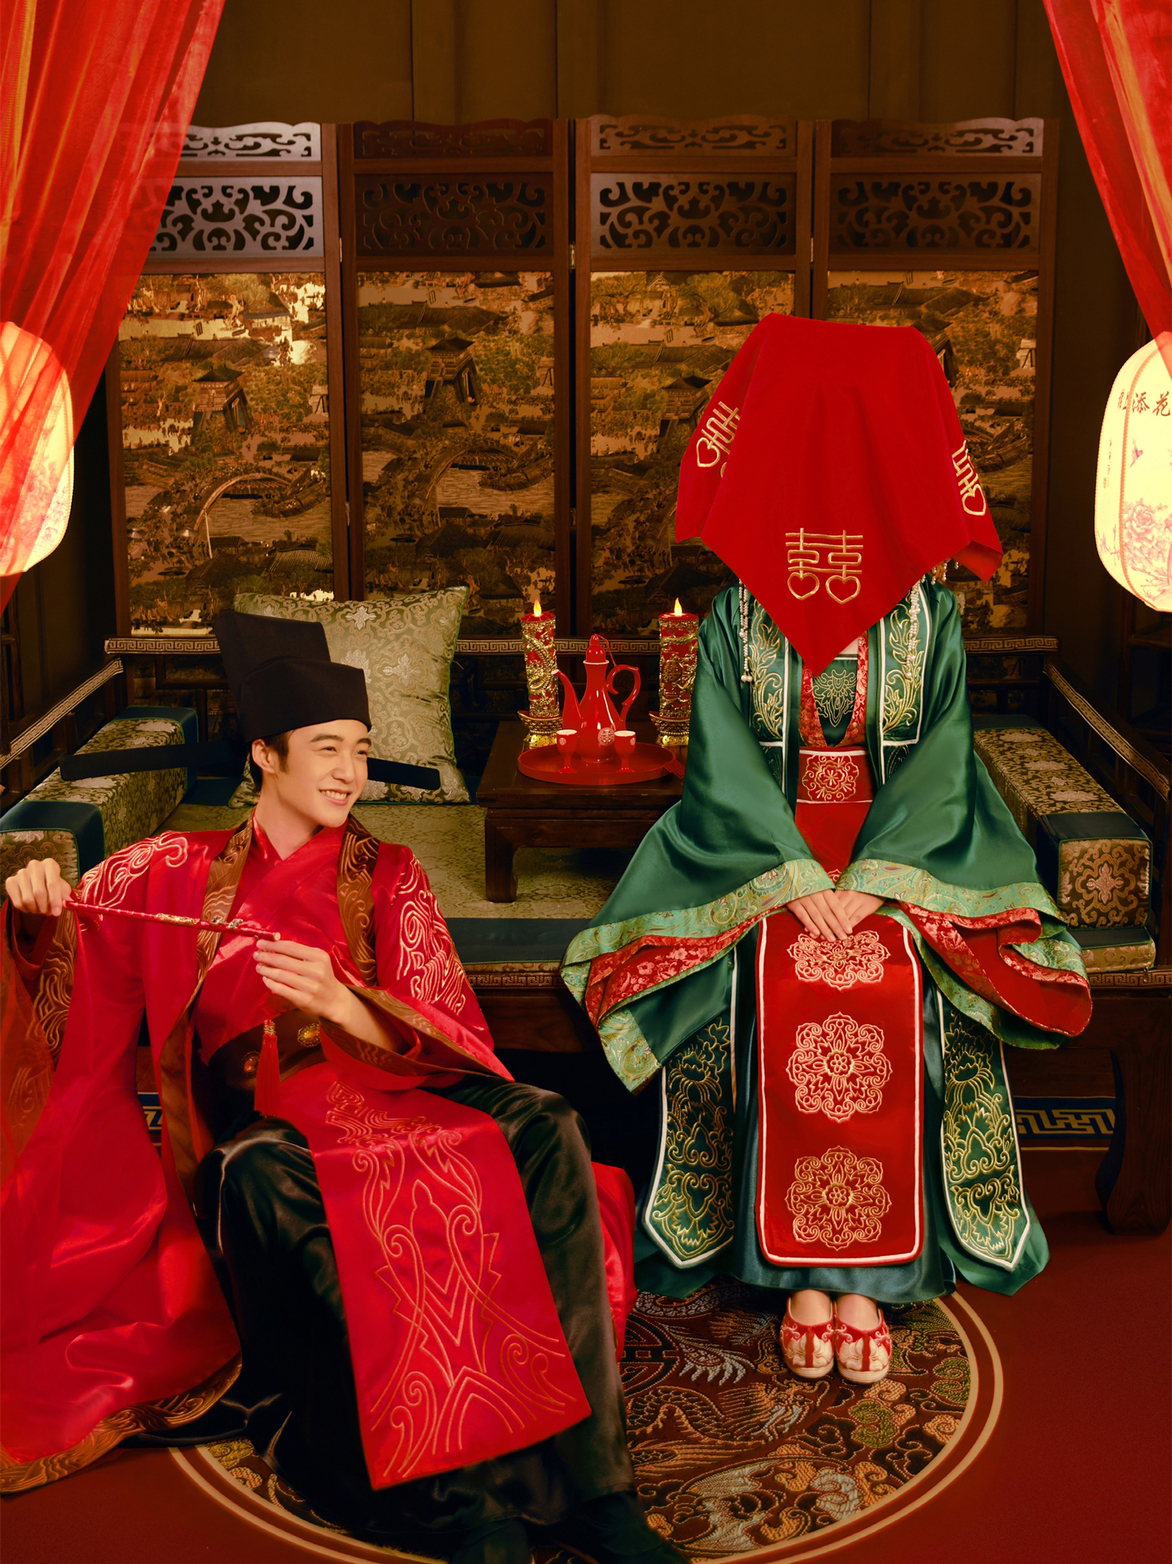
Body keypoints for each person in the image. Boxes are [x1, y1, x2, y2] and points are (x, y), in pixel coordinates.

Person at [1, 612, 684, 1564]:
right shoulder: (171, 872)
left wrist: (342, 1001)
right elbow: (67, 979)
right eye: (326, 749)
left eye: (360, 751)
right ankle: (454, 1505)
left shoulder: (389, 874)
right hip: (273, 1129)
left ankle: (597, 1489)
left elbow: (455, 1033)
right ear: (264, 756)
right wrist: (32, 915)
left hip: (401, 1089)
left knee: (547, 1121)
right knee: (254, 1177)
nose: (349, 772)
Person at [562, 315, 1092, 1385]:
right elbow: (720, 765)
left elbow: (942, 764)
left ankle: (870, 1279)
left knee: (896, 972)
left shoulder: (929, 617)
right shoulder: (738, 616)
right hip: (755, 853)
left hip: (906, 852)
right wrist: (793, 877)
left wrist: (879, 883)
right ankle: (800, 1274)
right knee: (773, 972)